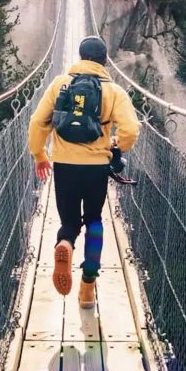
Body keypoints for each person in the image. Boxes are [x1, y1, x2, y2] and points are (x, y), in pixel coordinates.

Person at [28, 36, 139, 308]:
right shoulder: (114, 91)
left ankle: (65, 243)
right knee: (94, 221)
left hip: (64, 165)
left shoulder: (60, 84)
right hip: (96, 169)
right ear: (105, 60)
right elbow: (130, 130)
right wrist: (117, 145)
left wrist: (40, 154)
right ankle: (88, 287)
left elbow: (38, 121)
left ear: (79, 57)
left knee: (69, 221)